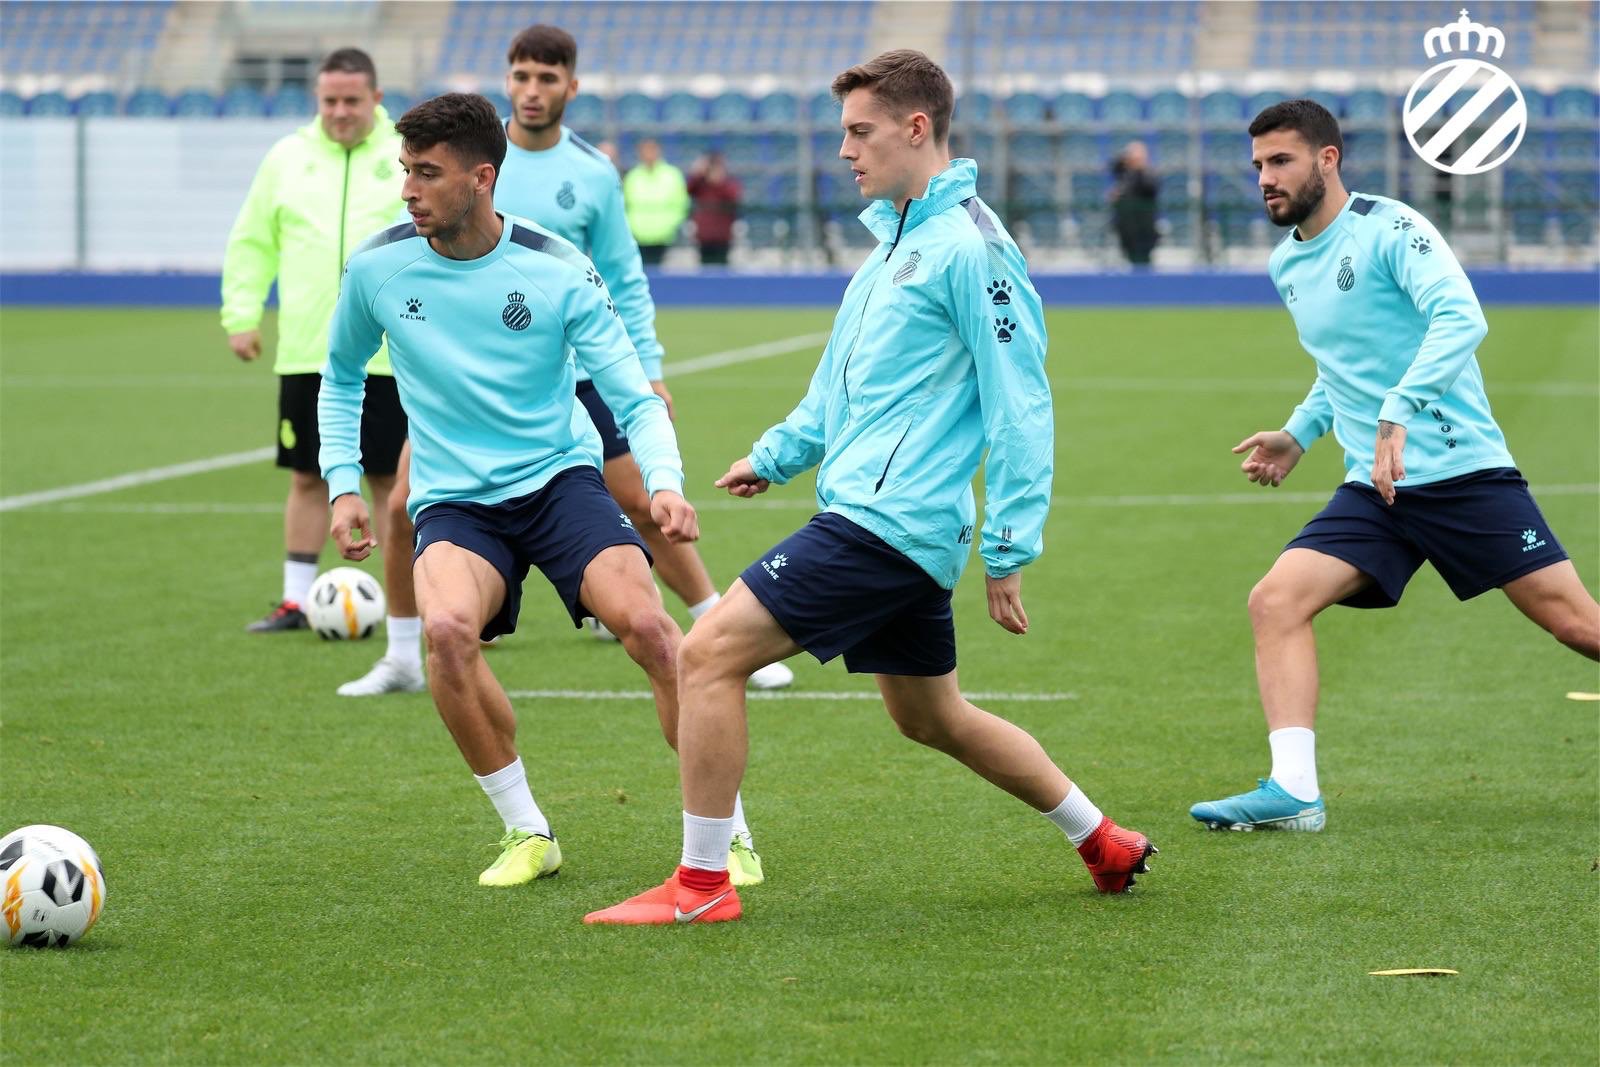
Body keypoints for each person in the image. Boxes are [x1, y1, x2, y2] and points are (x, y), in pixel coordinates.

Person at [586, 51, 1157, 926]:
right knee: (933, 716)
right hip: (884, 519)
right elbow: (841, 388)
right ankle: (1102, 838)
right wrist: (775, 456)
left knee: (704, 655)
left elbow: (1021, 403)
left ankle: (702, 887)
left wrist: (1007, 546)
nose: (845, 150)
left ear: (916, 128)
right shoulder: (897, 240)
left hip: (888, 522)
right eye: (843, 132)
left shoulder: (970, 247)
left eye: (861, 131)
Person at [320, 92, 726, 889]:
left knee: (652, 628)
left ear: (481, 177)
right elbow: (340, 378)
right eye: (405, 170)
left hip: (559, 479)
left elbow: (634, 393)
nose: (408, 188)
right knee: (446, 634)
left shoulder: (554, 267)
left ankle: (725, 831)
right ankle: (526, 828)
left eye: (427, 174)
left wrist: (666, 484)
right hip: (456, 499)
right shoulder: (377, 267)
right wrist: (344, 485)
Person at [339, 24, 792, 718]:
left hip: (577, 365)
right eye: (520, 76)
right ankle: (405, 651)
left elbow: (623, 278)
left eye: (547, 78)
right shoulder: (457, 163)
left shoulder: (591, 173)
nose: (531, 89)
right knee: (400, 504)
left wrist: (650, 368)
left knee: (641, 501)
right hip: (472, 381)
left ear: (569, 89)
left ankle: (709, 621)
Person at [1190, 100, 1600, 833]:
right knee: (1275, 601)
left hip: (1462, 474)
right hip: (1376, 487)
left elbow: (1461, 317)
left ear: (1327, 159)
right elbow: (1341, 365)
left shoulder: (1392, 228)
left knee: (1576, 626)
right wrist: (1298, 432)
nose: (1264, 179)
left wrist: (1399, 408)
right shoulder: (1286, 262)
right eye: (1256, 165)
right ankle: (1294, 791)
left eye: (1280, 161)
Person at [221, 47, 407, 632]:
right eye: (330, 100)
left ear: (375, 99)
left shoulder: (407, 153)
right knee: (308, 474)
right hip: (308, 349)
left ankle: (409, 603)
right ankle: (296, 601)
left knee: (388, 481)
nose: (341, 111)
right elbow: (253, 240)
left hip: (390, 352)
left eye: (353, 100)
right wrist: (241, 315)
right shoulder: (287, 158)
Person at [622, 138, 690, 265]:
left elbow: (681, 205)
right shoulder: (633, 176)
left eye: (652, 150)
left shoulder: (672, 175)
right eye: (645, 151)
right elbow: (625, 205)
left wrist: (670, 226)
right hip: (638, 238)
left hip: (667, 239)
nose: (649, 154)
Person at [687, 151, 742, 265]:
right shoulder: (701, 185)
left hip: (723, 236)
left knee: (722, 268)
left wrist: (720, 182)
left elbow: (734, 196)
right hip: (704, 236)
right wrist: (697, 173)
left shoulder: (729, 183)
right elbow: (688, 190)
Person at [1109, 140, 1158, 268]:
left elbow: (1150, 188)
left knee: (1142, 260)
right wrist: (1125, 157)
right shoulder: (1125, 173)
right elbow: (1113, 166)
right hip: (1125, 225)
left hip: (1144, 226)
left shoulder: (1149, 173)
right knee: (1128, 258)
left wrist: (1140, 168)